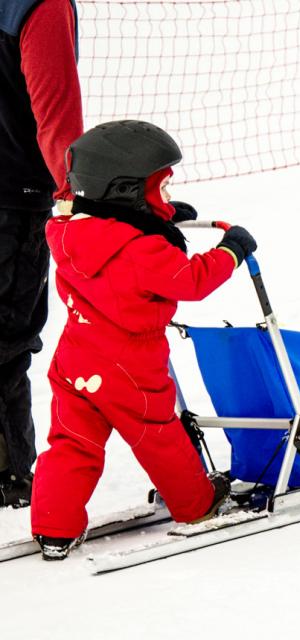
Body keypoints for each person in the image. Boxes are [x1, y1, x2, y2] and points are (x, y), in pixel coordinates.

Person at [30, 120, 257, 560]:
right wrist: (231, 250)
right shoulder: (142, 250)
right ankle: (196, 505)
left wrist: (162, 219)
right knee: (159, 435)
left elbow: (115, 233)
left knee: (72, 441)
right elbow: (189, 280)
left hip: (77, 358)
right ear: (129, 193)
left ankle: (53, 527)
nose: (167, 200)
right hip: (130, 365)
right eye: (161, 192)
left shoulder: (70, 231)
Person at [0, 0, 83, 508]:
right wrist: (83, 199)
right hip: (14, 202)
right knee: (6, 340)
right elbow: (56, 119)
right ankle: (9, 483)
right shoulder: (43, 6)